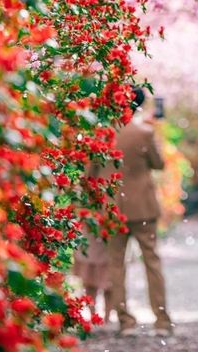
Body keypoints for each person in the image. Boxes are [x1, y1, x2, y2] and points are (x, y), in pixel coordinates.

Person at [75, 88, 173, 336]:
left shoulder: (102, 136)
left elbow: (89, 176)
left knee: (116, 265)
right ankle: (161, 320)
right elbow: (159, 164)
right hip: (143, 208)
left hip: (112, 210)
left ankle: (125, 321)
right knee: (152, 262)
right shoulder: (144, 133)